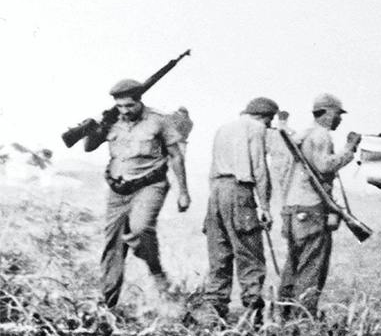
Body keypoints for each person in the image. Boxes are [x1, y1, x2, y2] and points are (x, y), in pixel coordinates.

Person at [93, 78, 190, 310]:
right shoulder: (111, 122)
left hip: (150, 185)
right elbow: (89, 145)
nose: (125, 111)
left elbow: (176, 155)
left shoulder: (159, 121)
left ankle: (157, 273)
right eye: (120, 106)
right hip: (118, 190)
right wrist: (93, 127)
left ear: (140, 101)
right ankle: (106, 304)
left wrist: (183, 192)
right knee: (112, 246)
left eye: (130, 105)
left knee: (140, 228)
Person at [277, 93, 361, 317]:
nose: (339, 119)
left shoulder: (301, 136)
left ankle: (283, 317)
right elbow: (325, 166)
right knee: (312, 267)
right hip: (312, 209)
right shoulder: (321, 135)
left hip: (293, 209)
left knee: (293, 265)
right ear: (327, 112)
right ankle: (303, 320)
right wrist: (349, 148)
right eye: (337, 114)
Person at [204, 97, 278, 322]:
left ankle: (214, 313)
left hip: (216, 191)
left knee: (219, 254)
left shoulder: (223, 128)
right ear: (266, 117)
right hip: (239, 191)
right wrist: (264, 206)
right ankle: (252, 313)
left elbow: (212, 168)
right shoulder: (256, 128)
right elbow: (259, 168)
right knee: (249, 253)